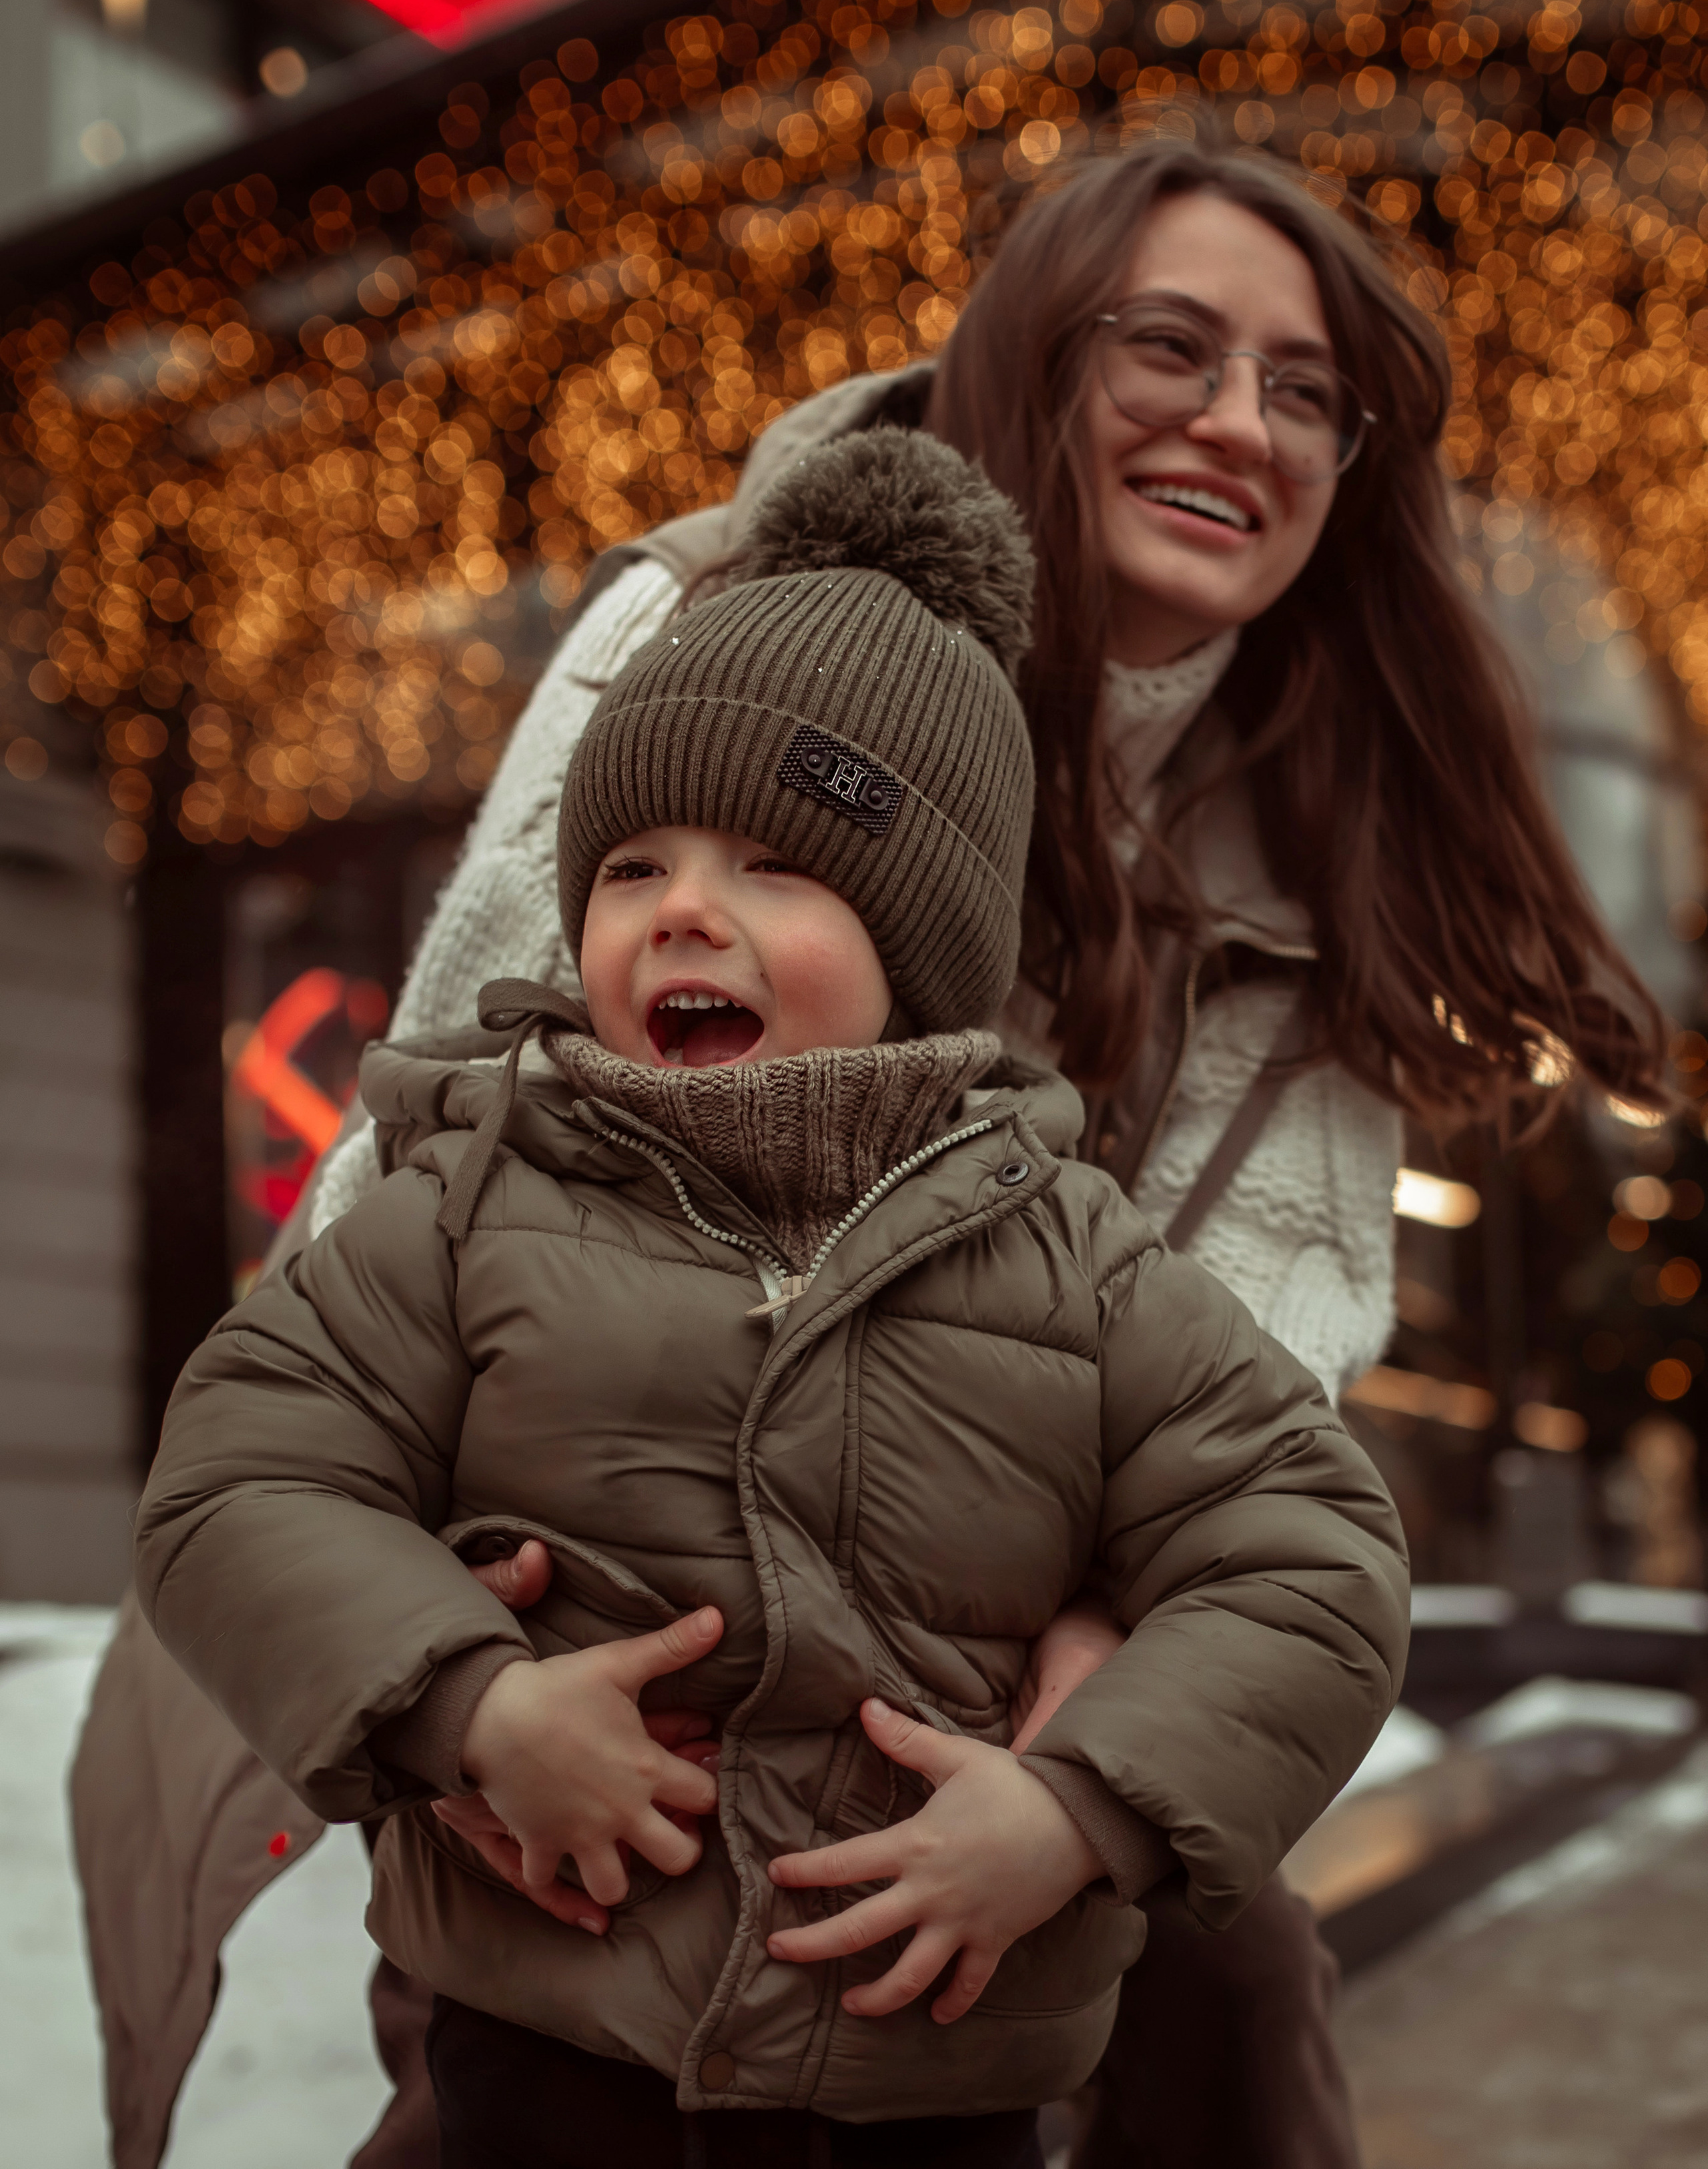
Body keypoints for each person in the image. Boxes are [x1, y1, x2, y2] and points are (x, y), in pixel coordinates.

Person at [74, 127, 1665, 2166]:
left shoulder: (1324, 799)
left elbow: (1269, 1344)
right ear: (1034, 354)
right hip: (603, 1615)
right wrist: (454, 1664)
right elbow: (457, 1113)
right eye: (1168, 347)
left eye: (1306, 392)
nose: (1237, 422)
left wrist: (1103, 1701)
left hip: (990, 1614)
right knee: (543, 2035)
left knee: (1230, 1978)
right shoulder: (721, 628)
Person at [132, 431, 1408, 2169]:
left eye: (777, 869)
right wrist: (474, 1709)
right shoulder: (471, 1207)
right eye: (635, 868)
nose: (684, 916)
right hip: (552, 2049)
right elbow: (240, 1475)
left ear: (921, 943)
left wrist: (1074, 1804)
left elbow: (1310, 1557)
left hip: (930, 2065)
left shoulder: (1074, 1264)